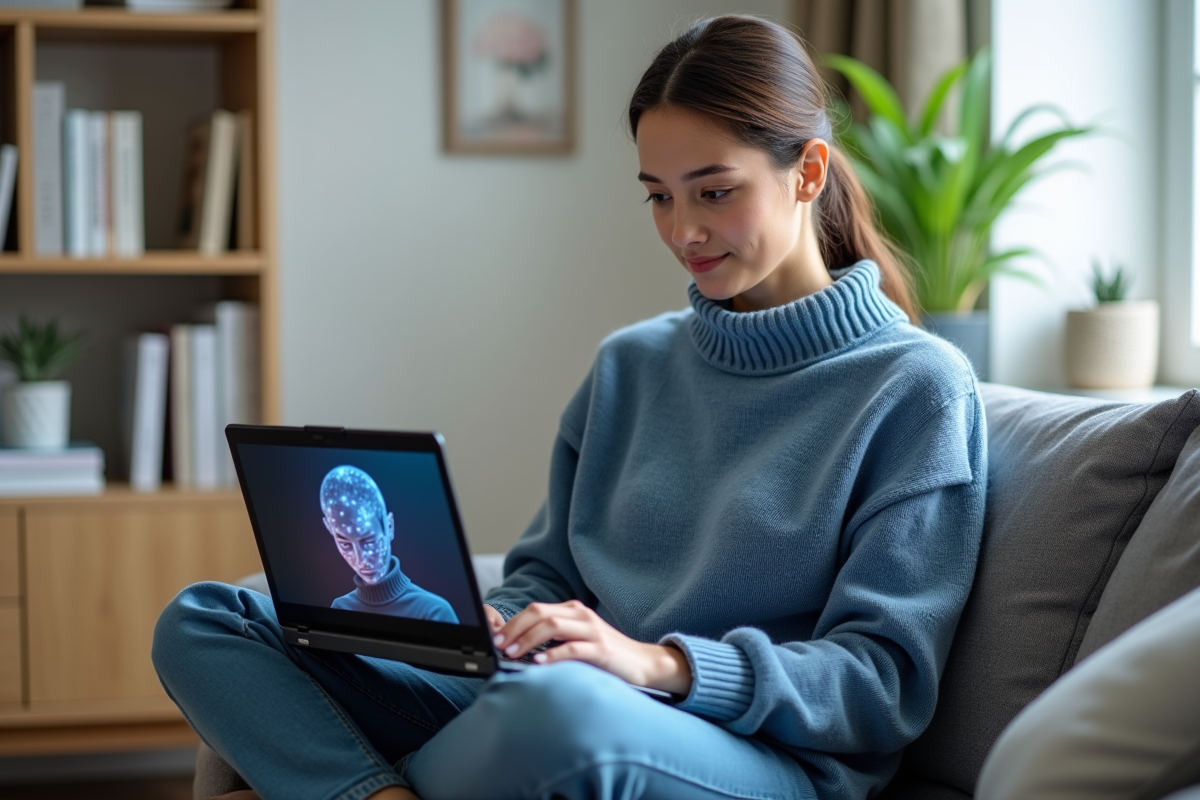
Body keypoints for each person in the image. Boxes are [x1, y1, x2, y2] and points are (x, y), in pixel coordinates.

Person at [152, 14, 985, 800]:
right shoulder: (632, 363)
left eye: (715, 191)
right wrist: (495, 627)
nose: (684, 231)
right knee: (205, 618)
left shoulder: (915, 388)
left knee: (563, 717)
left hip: (753, 752)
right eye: (658, 195)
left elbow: (881, 682)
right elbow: (548, 572)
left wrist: (658, 665)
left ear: (807, 172)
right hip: (556, 696)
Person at [320, 465, 458, 623]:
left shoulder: (434, 612)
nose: (361, 560)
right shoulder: (339, 609)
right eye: (345, 545)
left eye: (369, 541)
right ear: (329, 528)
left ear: (389, 526)